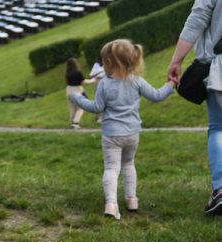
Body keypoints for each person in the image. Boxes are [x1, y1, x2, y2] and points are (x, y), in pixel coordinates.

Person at [71, 39, 176, 219]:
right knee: (128, 164)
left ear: (110, 63)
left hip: (112, 135)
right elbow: (158, 96)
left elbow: (97, 108)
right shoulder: (137, 81)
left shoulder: (104, 84)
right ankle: (132, 200)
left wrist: (77, 98)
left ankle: (111, 204)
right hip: (132, 134)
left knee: (111, 168)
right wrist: (172, 85)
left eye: (104, 62)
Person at [169, 0, 222, 215]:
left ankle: (221, 189)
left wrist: (177, 60)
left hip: (218, 67)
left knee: (218, 128)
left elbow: (197, 20)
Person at [65, 57, 96, 129]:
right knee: (80, 107)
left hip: (69, 90)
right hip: (77, 90)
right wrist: (93, 80)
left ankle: (72, 122)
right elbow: (85, 81)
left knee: (72, 107)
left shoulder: (67, 73)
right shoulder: (78, 72)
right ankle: (75, 122)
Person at [90, 55, 106, 123]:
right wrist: (100, 72)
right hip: (98, 80)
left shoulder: (107, 64)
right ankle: (98, 116)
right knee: (98, 98)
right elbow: (91, 75)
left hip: (106, 80)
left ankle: (105, 116)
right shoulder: (96, 65)